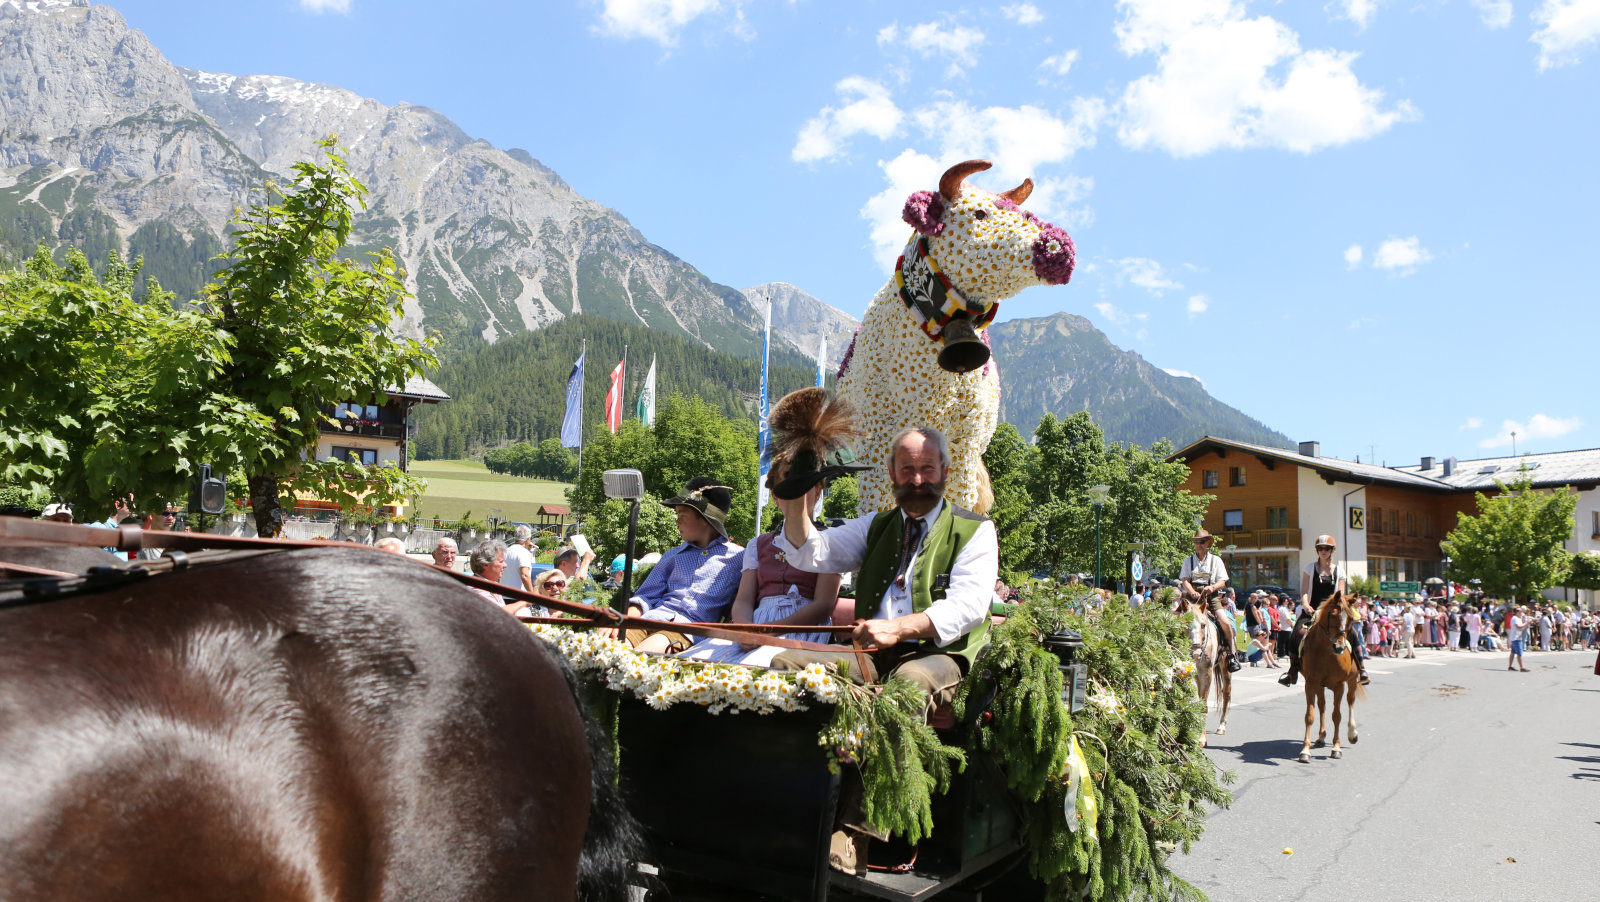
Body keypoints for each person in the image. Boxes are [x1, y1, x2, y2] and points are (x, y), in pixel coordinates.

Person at [680, 463, 841, 668]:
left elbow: (823, 605)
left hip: (803, 625)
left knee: (756, 668)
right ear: (775, 496)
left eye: (803, 486)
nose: (795, 493)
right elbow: (744, 599)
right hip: (756, 624)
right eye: (786, 487)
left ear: (818, 492)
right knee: (695, 664)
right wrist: (746, 629)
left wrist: (769, 630)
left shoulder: (832, 541)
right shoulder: (757, 544)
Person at [622, 478, 745, 655]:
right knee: (611, 647)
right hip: (651, 618)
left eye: (682, 515)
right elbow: (646, 597)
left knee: (635, 658)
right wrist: (623, 623)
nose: (677, 521)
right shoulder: (673, 555)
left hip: (689, 630)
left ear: (705, 519)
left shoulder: (738, 558)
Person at [1281, 535, 1367, 686]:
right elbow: (1304, 591)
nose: (1323, 551)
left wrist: (1333, 609)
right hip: (1311, 610)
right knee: (1296, 633)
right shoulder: (1309, 568)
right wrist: (1306, 605)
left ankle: (1362, 669)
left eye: (1327, 548)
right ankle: (1292, 671)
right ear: (1317, 550)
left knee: (1352, 633)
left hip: (1331, 612)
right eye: (1320, 548)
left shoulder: (1340, 571)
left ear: (1331, 550)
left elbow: (1339, 595)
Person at [1176, 528, 1240, 672]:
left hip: (1210, 597)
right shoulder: (1188, 561)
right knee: (1173, 619)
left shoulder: (1216, 560)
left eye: (1202, 542)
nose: (1198, 545)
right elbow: (1185, 580)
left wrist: (1212, 587)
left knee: (1225, 622)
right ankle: (1172, 652)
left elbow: (1223, 581)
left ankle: (1231, 654)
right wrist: (1192, 591)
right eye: (1196, 542)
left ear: (1207, 543)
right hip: (1191, 597)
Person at [466, 539, 535, 618]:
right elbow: (501, 613)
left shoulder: (490, 585)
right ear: (485, 564)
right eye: (501, 562)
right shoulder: (476, 587)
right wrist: (526, 601)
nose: (505, 565)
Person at [502, 525, 537, 595]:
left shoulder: (505, 551)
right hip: (517, 596)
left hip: (503, 594)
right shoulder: (523, 552)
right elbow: (525, 575)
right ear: (528, 539)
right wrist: (532, 594)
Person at [1507, 605, 1530, 671]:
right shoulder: (1515, 618)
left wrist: (1526, 623)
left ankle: (1510, 666)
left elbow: (1521, 628)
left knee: (1513, 652)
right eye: (1520, 611)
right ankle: (1522, 667)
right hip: (1516, 638)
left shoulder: (1518, 618)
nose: (1521, 612)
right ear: (1517, 612)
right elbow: (1518, 627)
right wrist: (1526, 622)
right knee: (1519, 653)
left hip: (1517, 637)